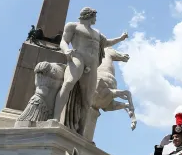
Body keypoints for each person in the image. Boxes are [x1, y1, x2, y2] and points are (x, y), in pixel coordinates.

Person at [53, 7, 128, 136]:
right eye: (95, 16)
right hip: (78, 58)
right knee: (68, 83)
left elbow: (107, 43)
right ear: (89, 15)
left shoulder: (97, 33)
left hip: (93, 65)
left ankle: (80, 131)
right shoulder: (73, 26)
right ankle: (54, 118)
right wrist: (66, 50)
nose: (96, 19)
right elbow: (64, 41)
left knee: (88, 98)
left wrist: (121, 38)